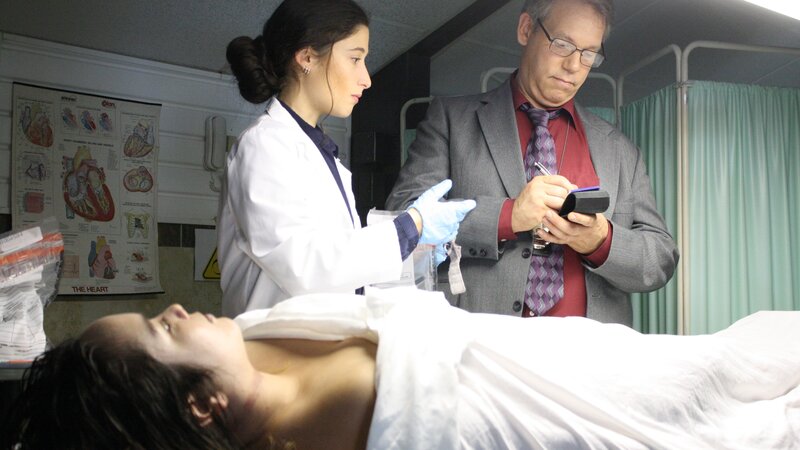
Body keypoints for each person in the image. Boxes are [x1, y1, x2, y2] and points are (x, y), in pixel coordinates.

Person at [3, 289, 799, 449]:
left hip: (556, 349)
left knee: (726, 356)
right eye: (161, 330)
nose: (177, 310)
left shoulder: (253, 331)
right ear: (200, 407)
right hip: (554, 410)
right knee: (722, 415)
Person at [386, 0, 678, 325]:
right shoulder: (451, 121)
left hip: (589, 351)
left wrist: (601, 240)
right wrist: (508, 216)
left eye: (589, 54)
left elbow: (660, 261)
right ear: (526, 29)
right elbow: (401, 221)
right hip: (480, 342)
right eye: (562, 44)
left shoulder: (621, 150)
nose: (574, 66)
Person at [218, 0, 476, 317]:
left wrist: (416, 254)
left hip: (316, 340)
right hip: (273, 344)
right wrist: (411, 227)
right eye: (355, 59)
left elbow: (343, 272)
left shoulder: (320, 153)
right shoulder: (264, 144)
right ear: (307, 57)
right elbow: (305, 269)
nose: (366, 79)